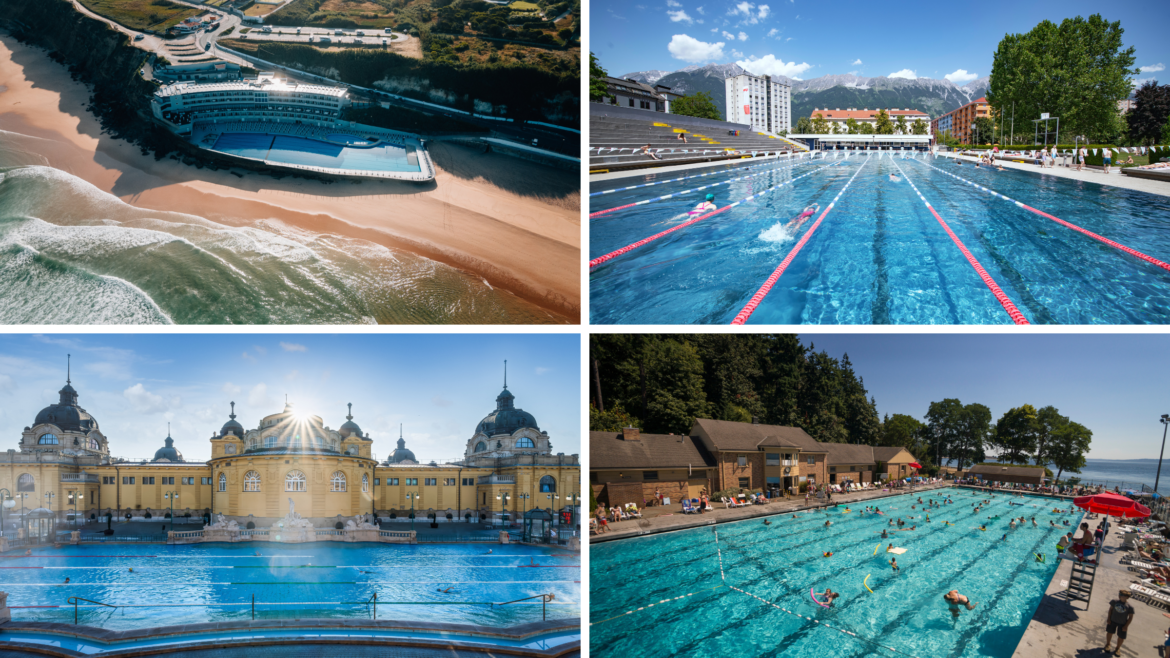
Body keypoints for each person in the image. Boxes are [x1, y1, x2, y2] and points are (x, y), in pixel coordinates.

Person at [1104, 590, 1135, 656]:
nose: (1119, 595)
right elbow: (1110, 610)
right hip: (1112, 621)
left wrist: (1126, 626)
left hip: (1122, 623)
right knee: (1109, 632)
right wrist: (1109, 619)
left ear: (1126, 597)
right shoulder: (1114, 601)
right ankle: (1108, 644)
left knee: (1121, 637)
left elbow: (1130, 617)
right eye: (1119, 594)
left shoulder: (1130, 607)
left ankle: (1117, 648)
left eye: (1121, 595)